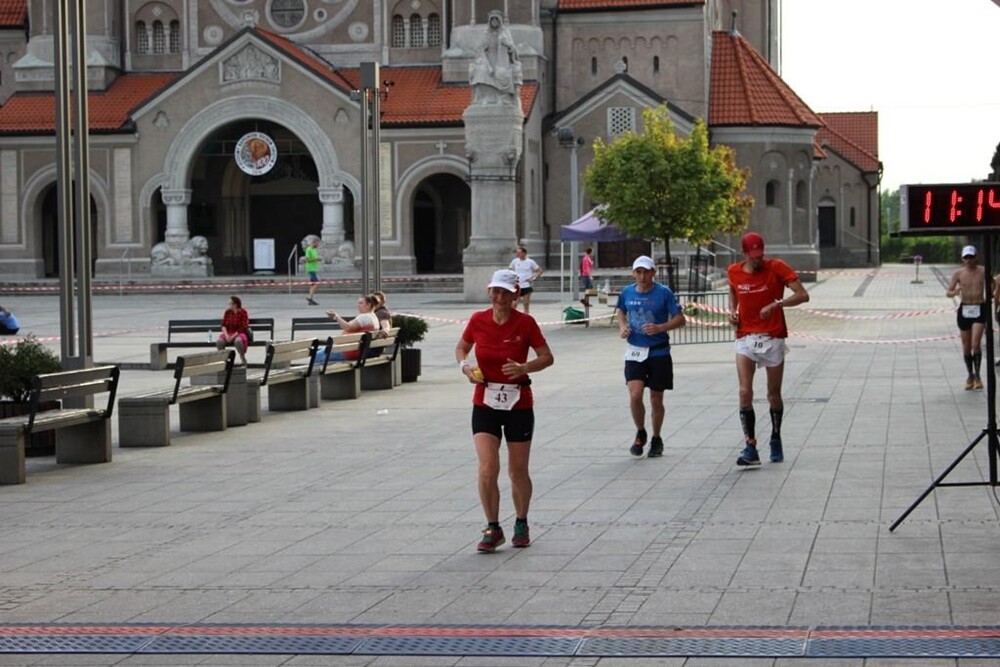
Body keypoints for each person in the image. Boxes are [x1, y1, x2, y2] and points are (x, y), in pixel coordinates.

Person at [455, 269, 554, 553]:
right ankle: (493, 527)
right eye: (495, 292)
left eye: (505, 293)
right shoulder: (478, 320)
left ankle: (521, 522)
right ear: (489, 292)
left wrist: (525, 367)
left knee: (517, 470)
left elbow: (547, 357)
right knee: (488, 467)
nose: (499, 298)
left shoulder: (526, 323)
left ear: (516, 295)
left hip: (518, 402)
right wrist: (465, 367)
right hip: (485, 400)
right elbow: (461, 348)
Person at [728, 232, 810, 467]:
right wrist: (732, 311)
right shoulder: (733, 271)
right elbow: (732, 290)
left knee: (773, 394)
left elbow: (803, 295)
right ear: (744, 253)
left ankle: (775, 436)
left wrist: (777, 304)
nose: (758, 259)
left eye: (760, 254)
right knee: (745, 392)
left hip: (772, 337)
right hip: (745, 337)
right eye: (753, 255)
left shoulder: (776, 267)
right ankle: (750, 446)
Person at [615, 255, 686, 458]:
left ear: (653, 272)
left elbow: (680, 319)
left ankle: (656, 437)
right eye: (638, 272)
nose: (642, 276)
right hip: (635, 350)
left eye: (646, 272)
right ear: (633, 273)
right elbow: (620, 310)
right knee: (635, 394)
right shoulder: (627, 292)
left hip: (659, 351)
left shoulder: (663, 293)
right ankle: (640, 431)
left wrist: (660, 327)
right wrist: (622, 326)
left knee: (656, 399)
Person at [947, 245, 986, 389]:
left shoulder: (983, 271)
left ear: (976, 257)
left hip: (979, 307)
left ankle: (978, 376)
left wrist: (992, 293)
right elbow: (948, 292)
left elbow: (993, 283)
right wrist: (955, 292)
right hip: (965, 309)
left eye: (971, 257)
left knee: (975, 344)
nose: (969, 260)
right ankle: (970, 375)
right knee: (966, 346)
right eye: (966, 257)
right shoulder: (959, 273)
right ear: (962, 259)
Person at [318, 294, 381, 362]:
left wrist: (336, 317)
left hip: (348, 351)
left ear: (369, 305)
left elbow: (348, 327)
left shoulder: (365, 317)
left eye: (361, 303)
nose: (358, 305)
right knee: (319, 351)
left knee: (317, 355)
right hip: (353, 349)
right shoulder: (373, 317)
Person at [216, 295, 249, 365]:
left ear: (235, 305)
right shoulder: (227, 312)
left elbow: (243, 327)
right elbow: (223, 325)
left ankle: (242, 357)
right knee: (219, 341)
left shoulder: (243, 312)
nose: (228, 304)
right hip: (228, 332)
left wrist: (233, 336)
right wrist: (226, 335)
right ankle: (223, 359)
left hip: (239, 333)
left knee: (238, 341)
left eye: (230, 303)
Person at [509, 245, 543, 313]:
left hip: (526, 285)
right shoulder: (515, 261)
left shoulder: (530, 262)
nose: (518, 254)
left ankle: (526, 315)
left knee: (526, 303)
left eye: (519, 253)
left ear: (524, 253)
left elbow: (540, 270)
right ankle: (512, 316)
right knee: (514, 303)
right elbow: (510, 269)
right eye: (517, 253)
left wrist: (533, 278)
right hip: (517, 285)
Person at [305, 237, 321, 306]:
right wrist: (316, 259)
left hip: (314, 268)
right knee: (317, 282)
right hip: (311, 269)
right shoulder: (309, 249)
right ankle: (309, 298)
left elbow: (314, 258)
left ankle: (310, 299)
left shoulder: (314, 249)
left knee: (312, 284)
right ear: (314, 243)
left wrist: (317, 259)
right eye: (317, 244)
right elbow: (307, 259)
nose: (318, 245)